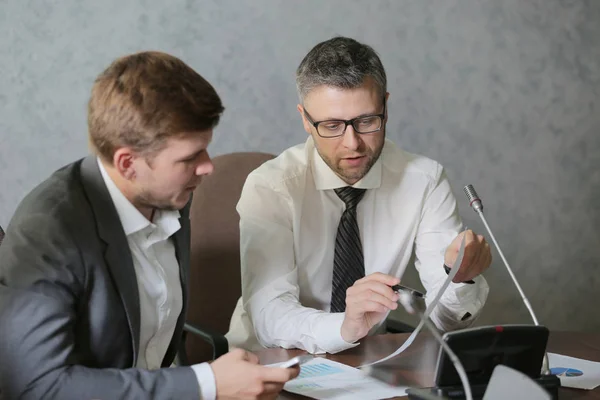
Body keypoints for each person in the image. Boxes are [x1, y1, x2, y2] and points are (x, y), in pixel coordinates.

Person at [0, 51, 297, 400]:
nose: (207, 167)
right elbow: (39, 387)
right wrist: (206, 384)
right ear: (128, 163)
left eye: (205, 150)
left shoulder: (168, 194)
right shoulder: (48, 232)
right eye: (190, 158)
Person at [226, 37, 492, 354]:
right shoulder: (271, 186)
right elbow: (270, 315)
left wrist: (457, 278)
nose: (352, 143)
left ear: (386, 107)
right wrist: (343, 327)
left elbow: (449, 320)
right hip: (269, 362)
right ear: (305, 119)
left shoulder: (425, 180)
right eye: (332, 125)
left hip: (368, 362)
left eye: (366, 121)